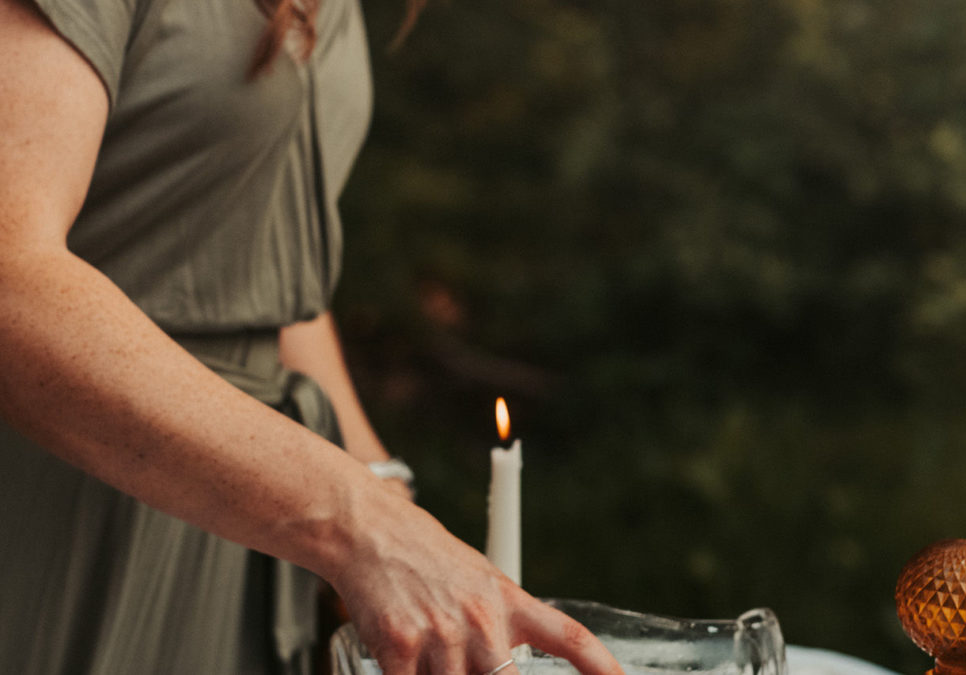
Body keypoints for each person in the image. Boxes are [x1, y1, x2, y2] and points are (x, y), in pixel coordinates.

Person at [0, 0, 625, 673]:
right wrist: (360, 526)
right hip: (62, 506)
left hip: (253, 522)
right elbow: (13, 278)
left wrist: (390, 500)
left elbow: (265, 272)